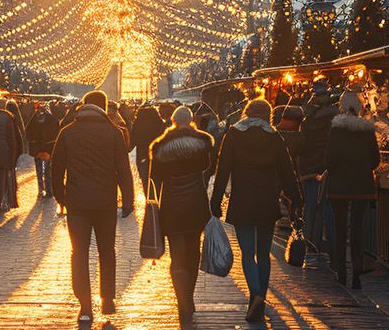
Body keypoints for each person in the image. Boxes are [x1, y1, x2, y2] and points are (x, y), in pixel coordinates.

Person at [210, 99, 302, 323]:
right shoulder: (275, 138)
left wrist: (215, 201)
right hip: (266, 202)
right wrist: (296, 198)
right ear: (268, 115)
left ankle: (256, 296)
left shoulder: (233, 135)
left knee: (247, 252)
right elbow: (287, 171)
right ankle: (260, 294)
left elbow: (222, 170)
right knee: (264, 253)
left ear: (246, 113)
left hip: (242, 201)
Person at [51, 91, 135, 322]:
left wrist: (61, 197)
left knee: (79, 253)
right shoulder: (114, 133)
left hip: (77, 203)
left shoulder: (67, 133)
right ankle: (107, 298)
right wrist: (128, 201)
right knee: (107, 251)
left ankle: (85, 306)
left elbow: (56, 169)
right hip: (105, 202)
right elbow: (123, 170)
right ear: (104, 107)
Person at [147, 106, 214, 325]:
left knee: (177, 256)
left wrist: (152, 204)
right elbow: (208, 168)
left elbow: (154, 179)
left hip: (172, 207)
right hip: (196, 205)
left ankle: (181, 300)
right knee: (193, 253)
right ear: (191, 120)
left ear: (173, 122)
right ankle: (189, 297)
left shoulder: (160, 147)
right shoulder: (203, 143)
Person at [325, 91, 380, 289]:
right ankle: (356, 274)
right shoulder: (367, 130)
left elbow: (330, 160)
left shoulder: (336, 130)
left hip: (339, 187)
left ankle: (341, 273)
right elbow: (375, 160)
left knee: (341, 230)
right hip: (362, 186)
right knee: (358, 229)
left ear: (341, 106)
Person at [299, 81, 339, 251]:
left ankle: (310, 240)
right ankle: (330, 244)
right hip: (327, 168)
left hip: (309, 168)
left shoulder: (308, 119)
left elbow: (303, 144)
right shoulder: (334, 118)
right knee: (326, 206)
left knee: (310, 206)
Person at [129, 105, 166, 192]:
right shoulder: (160, 124)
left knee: (145, 180)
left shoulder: (138, 125)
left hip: (142, 157)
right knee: (158, 181)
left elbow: (132, 143)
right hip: (158, 156)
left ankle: (147, 199)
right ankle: (158, 199)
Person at [26, 105, 59, 198]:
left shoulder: (33, 120)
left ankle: (41, 189)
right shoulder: (53, 119)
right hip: (49, 148)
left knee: (39, 170)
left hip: (37, 148)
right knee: (48, 170)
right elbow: (57, 131)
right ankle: (49, 190)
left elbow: (27, 133)